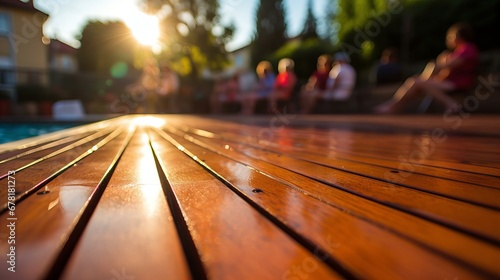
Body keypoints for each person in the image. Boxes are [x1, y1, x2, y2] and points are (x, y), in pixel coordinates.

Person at [374, 23, 478, 114]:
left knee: (417, 81)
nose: (448, 39)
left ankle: (451, 103)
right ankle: (393, 105)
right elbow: (445, 70)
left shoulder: (467, 48)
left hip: (459, 83)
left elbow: (445, 66)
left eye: (450, 36)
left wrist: (440, 62)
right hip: (450, 82)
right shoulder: (458, 51)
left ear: (457, 36)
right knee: (415, 82)